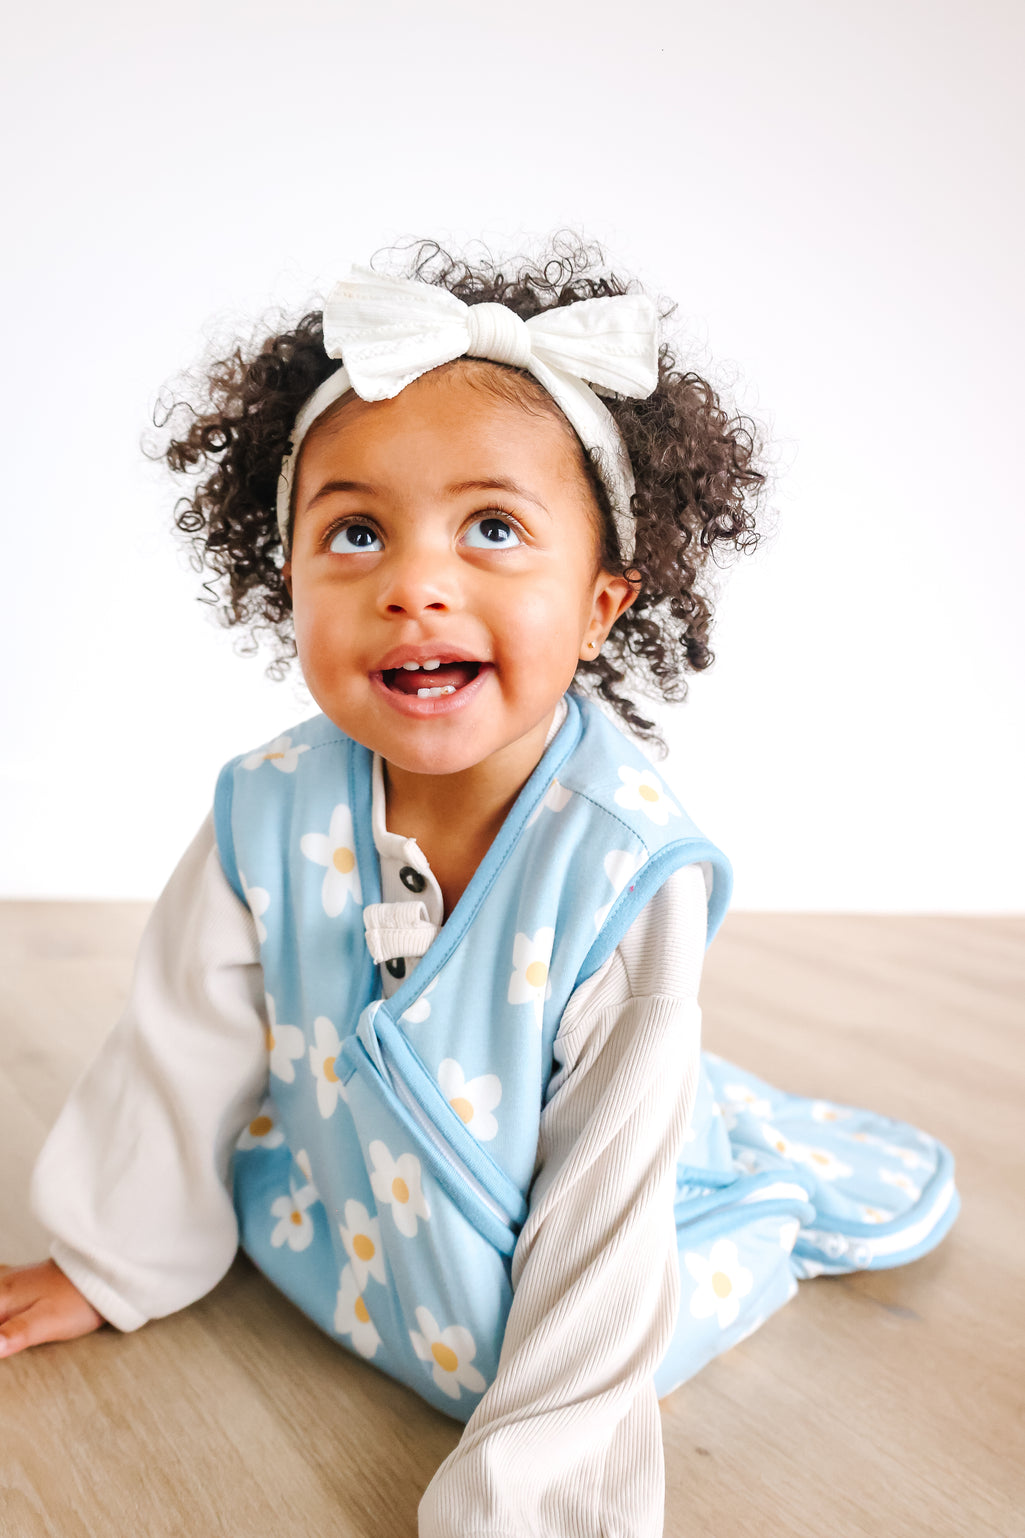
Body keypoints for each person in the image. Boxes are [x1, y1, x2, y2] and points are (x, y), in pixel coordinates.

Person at [0, 241, 958, 1537]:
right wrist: (112, 1260)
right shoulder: (265, 805)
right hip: (343, 1226)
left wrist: (528, 1497)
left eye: (493, 529)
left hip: (584, 1265)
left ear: (601, 603)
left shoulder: (621, 868)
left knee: (641, 1220)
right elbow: (180, 1052)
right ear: (286, 580)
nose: (416, 584)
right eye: (355, 532)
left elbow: (607, 1215)